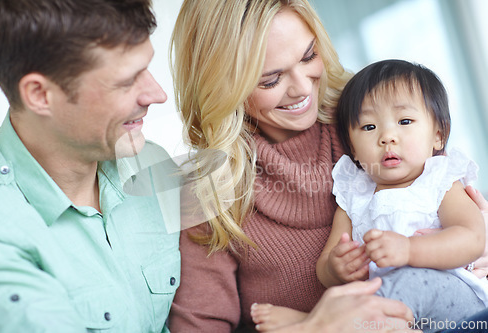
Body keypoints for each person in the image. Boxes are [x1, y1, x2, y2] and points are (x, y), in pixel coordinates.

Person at [169, 1, 423, 332]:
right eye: (270, 80)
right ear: (222, 89)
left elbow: (451, 200)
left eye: (308, 56)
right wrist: (312, 328)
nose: (303, 88)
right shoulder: (207, 192)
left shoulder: (370, 117)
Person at [251, 60, 488, 333]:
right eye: (369, 127)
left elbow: (473, 238)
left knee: (407, 282)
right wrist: (338, 267)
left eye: (405, 121)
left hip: (456, 302)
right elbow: (325, 265)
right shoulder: (355, 193)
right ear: (351, 145)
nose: (387, 137)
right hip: (392, 313)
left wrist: (410, 250)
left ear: (438, 134)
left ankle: (309, 326)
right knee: (347, 298)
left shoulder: (438, 181)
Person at [0, 0, 180, 332]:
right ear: (40, 95)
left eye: (147, 69)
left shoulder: (151, 164)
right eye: (125, 81)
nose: (157, 94)